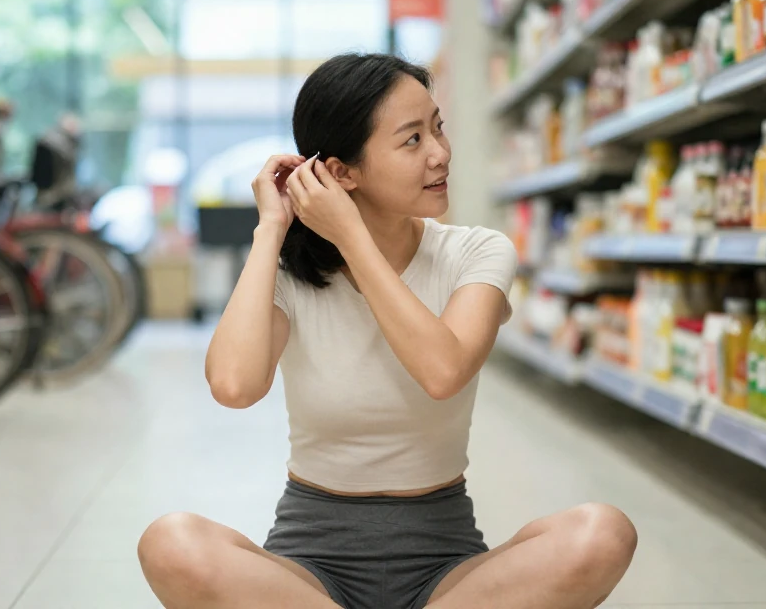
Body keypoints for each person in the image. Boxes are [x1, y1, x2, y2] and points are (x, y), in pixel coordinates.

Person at [138, 53, 637, 609]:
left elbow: (442, 371)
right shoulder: (287, 274)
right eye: (412, 140)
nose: (440, 153)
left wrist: (352, 237)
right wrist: (270, 230)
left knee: (603, 532)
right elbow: (234, 386)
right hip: (307, 576)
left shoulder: (476, 251)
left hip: (447, 570)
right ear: (342, 172)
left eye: (438, 128)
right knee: (171, 542)